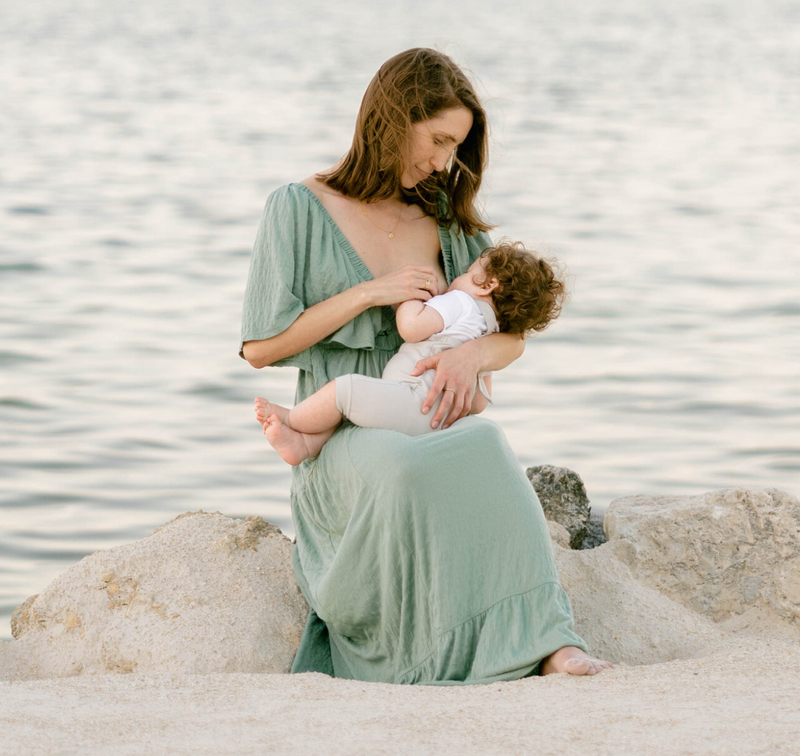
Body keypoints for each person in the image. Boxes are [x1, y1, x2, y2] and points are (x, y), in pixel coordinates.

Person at [240, 47, 612, 682]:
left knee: (490, 445)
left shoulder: (447, 220)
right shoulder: (296, 208)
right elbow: (261, 348)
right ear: (393, 118)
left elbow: (512, 337)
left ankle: (549, 638)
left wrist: (470, 355)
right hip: (338, 430)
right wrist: (366, 294)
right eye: (438, 140)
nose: (444, 161)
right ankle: (436, 652)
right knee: (404, 465)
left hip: (431, 413)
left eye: (455, 148)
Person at [253, 242, 566, 464]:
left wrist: (409, 296)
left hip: (412, 399)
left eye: (468, 272)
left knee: (343, 391)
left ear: (486, 284)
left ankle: (293, 419)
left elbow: (412, 328)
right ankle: (307, 444)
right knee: (354, 412)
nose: (459, 278)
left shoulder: (460, 301)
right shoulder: (490, 333)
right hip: (434, 421)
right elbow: (479, 402)